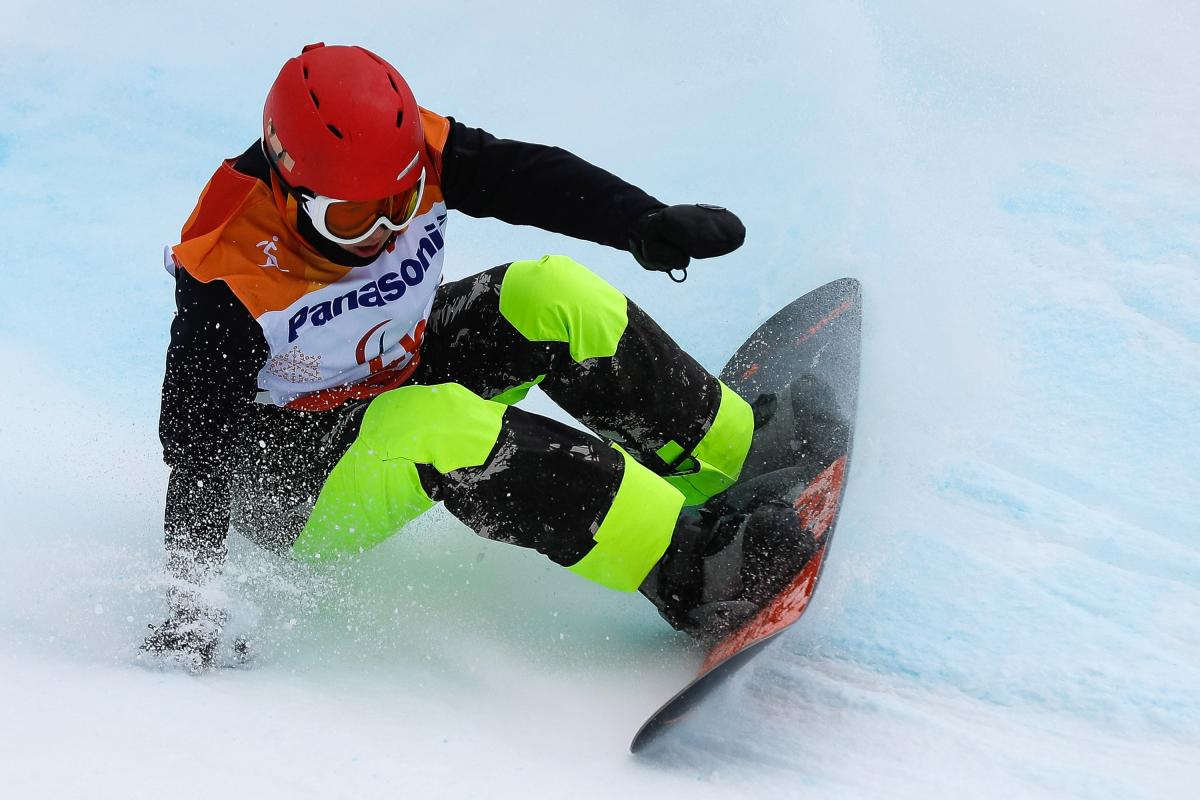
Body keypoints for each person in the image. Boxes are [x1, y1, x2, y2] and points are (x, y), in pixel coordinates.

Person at [143, 43, 815, 669]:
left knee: (547, 291)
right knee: (440, 421)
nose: (382, 234)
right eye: (352, 221)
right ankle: (694, 569)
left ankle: (731, 455)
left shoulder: (413, 151)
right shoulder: (225, 274)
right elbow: (195, 453)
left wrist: (641, 221)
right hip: (296, 485)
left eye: (400, 205)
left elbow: (526, 179)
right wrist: (193, 601)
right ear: (292, 193)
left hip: (386, 374)